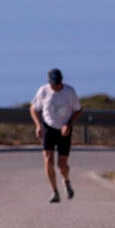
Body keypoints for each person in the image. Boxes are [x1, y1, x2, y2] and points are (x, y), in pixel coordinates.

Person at [30, 68, 82, 203]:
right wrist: (38, 125)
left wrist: (69, 124)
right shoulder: (43, 91)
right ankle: (54, 191)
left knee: (62, 164)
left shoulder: (69, 91)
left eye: (58, 84)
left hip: (64, 130)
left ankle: (66, 180)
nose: (56, 86)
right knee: (48, 160)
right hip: (48, 128)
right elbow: (33, 108)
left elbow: (78, 110)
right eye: (53, 84)